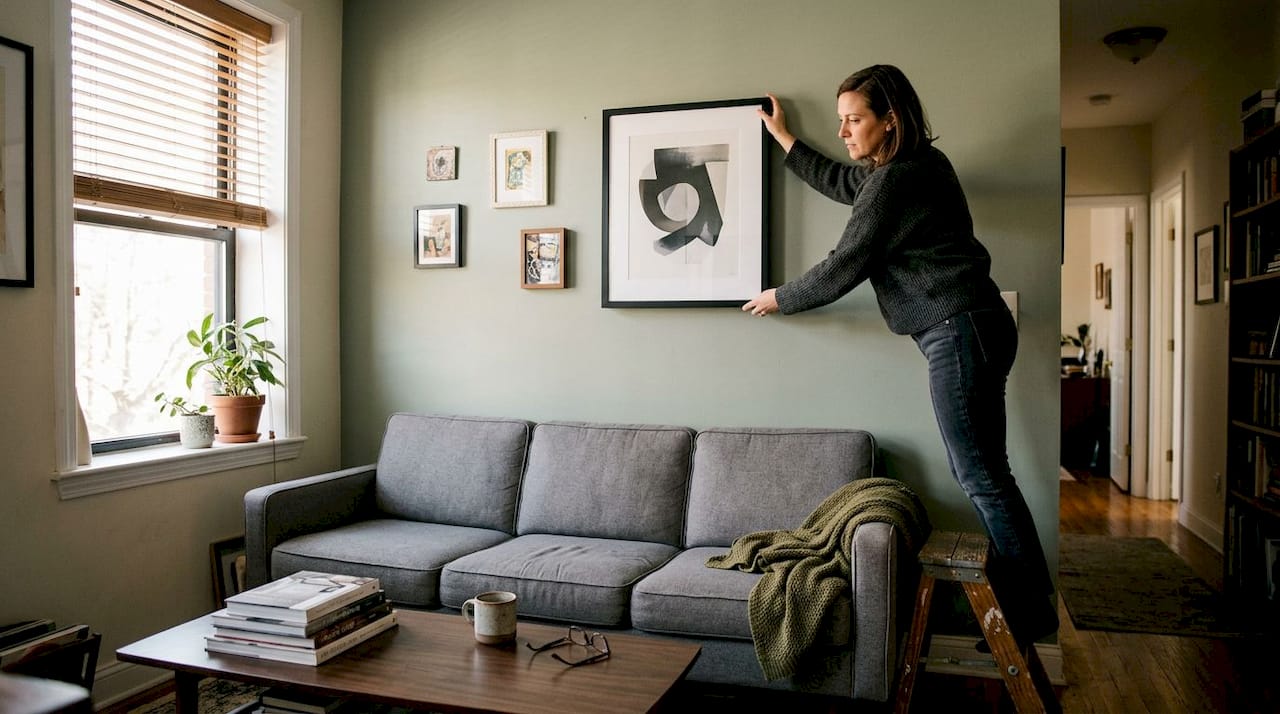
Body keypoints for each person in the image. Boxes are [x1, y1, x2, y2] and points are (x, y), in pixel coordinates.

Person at [742, 64, 1058, 648]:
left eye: (854, 120)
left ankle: (1030, 615)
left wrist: (779, 297)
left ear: (890, 121)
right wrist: (786, 138)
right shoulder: (917, 169)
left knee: (982, 477)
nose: (844, 132)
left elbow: (846, 261)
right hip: (975, 325)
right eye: (841, 121)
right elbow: (845, 183)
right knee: (989, 472)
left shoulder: (896, 182)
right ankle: (1033, 606)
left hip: (958, 330)